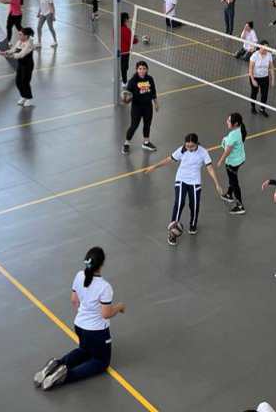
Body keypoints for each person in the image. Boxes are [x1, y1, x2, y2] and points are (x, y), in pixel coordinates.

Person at [33, 247, 126, 391]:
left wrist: (84, 317)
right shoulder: (104, 287)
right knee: (101, 362)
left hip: (79, 326)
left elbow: (74, 300)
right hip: (97, 332)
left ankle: (57, 364)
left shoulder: (79, 275)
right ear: (101, 264)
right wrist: (119, 307)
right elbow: (106, 314)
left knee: (84, 350)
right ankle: (66, 376)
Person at [146, 133, 222, 244]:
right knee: (179, 203)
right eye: (187, 146)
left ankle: (193, 225)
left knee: (194, 205)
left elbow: (210, 168)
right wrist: (154, 166)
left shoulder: (203, 152)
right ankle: (172, 232)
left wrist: (217, 184)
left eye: (192, 146)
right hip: (181, 179)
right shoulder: (182, 150)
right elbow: (169, 159)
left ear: (197, 144)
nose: (189, 148)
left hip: (195, 181)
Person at [122, 61, 159, 154]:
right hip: (137, 108)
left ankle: (146, 143)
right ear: (137, 69)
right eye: (140, 69)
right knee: (134, 126)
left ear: (147, 69)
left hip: (148, 106)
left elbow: (153, 92)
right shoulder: (132, 81)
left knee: (147, 124)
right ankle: (126, 144)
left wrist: (156, 103)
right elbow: (127, 94)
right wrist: (126, 99)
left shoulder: (150, 79)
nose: (142, 71)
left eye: (144, 69)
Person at [217, 112, 247, 215]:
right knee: (232, 178)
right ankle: (229, 194)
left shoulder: (233, 135)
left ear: (236, 123)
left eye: (229, 121)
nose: (227, 122)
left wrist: (220, 160)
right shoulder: (241, 128)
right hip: (240, 158)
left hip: (233, 163)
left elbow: (227, 151)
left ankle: (240, 206)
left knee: (234, 182)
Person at [2, 27, 35, 107]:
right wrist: (6, 52)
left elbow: (21, 54)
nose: (19, 36)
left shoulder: (29, 44)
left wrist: (11, 56)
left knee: (25, 82)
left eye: (20, 34)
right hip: (20, 64)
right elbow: (13, 49)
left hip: (27, 65)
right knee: (18, 82)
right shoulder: (19, 41)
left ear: (26, 36)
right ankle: (23, 96)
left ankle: (28, 98)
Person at [248, 41, 275, 117]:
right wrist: (253, 80)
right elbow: (250, 69)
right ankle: (253, 107)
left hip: (265, 77)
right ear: (260, 47)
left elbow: (271, 68)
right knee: (254, 93)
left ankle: (262, 109)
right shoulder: (255, 55)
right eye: (264, 47)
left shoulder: (269, 55)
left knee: (264, 94)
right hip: (255, 77)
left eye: (267, 48)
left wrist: (273, 79)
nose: (266, 49)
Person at [119, 12, 139, 85]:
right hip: (125, 52)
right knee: (125, 67)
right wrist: (136, 39)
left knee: (119, 65)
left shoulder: (116, 27)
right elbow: (132, 41)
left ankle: (119, 77)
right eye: (128, 18)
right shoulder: (126, 30)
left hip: (118, 51)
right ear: (125, 19)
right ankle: (124, 82)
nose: (128, 19)